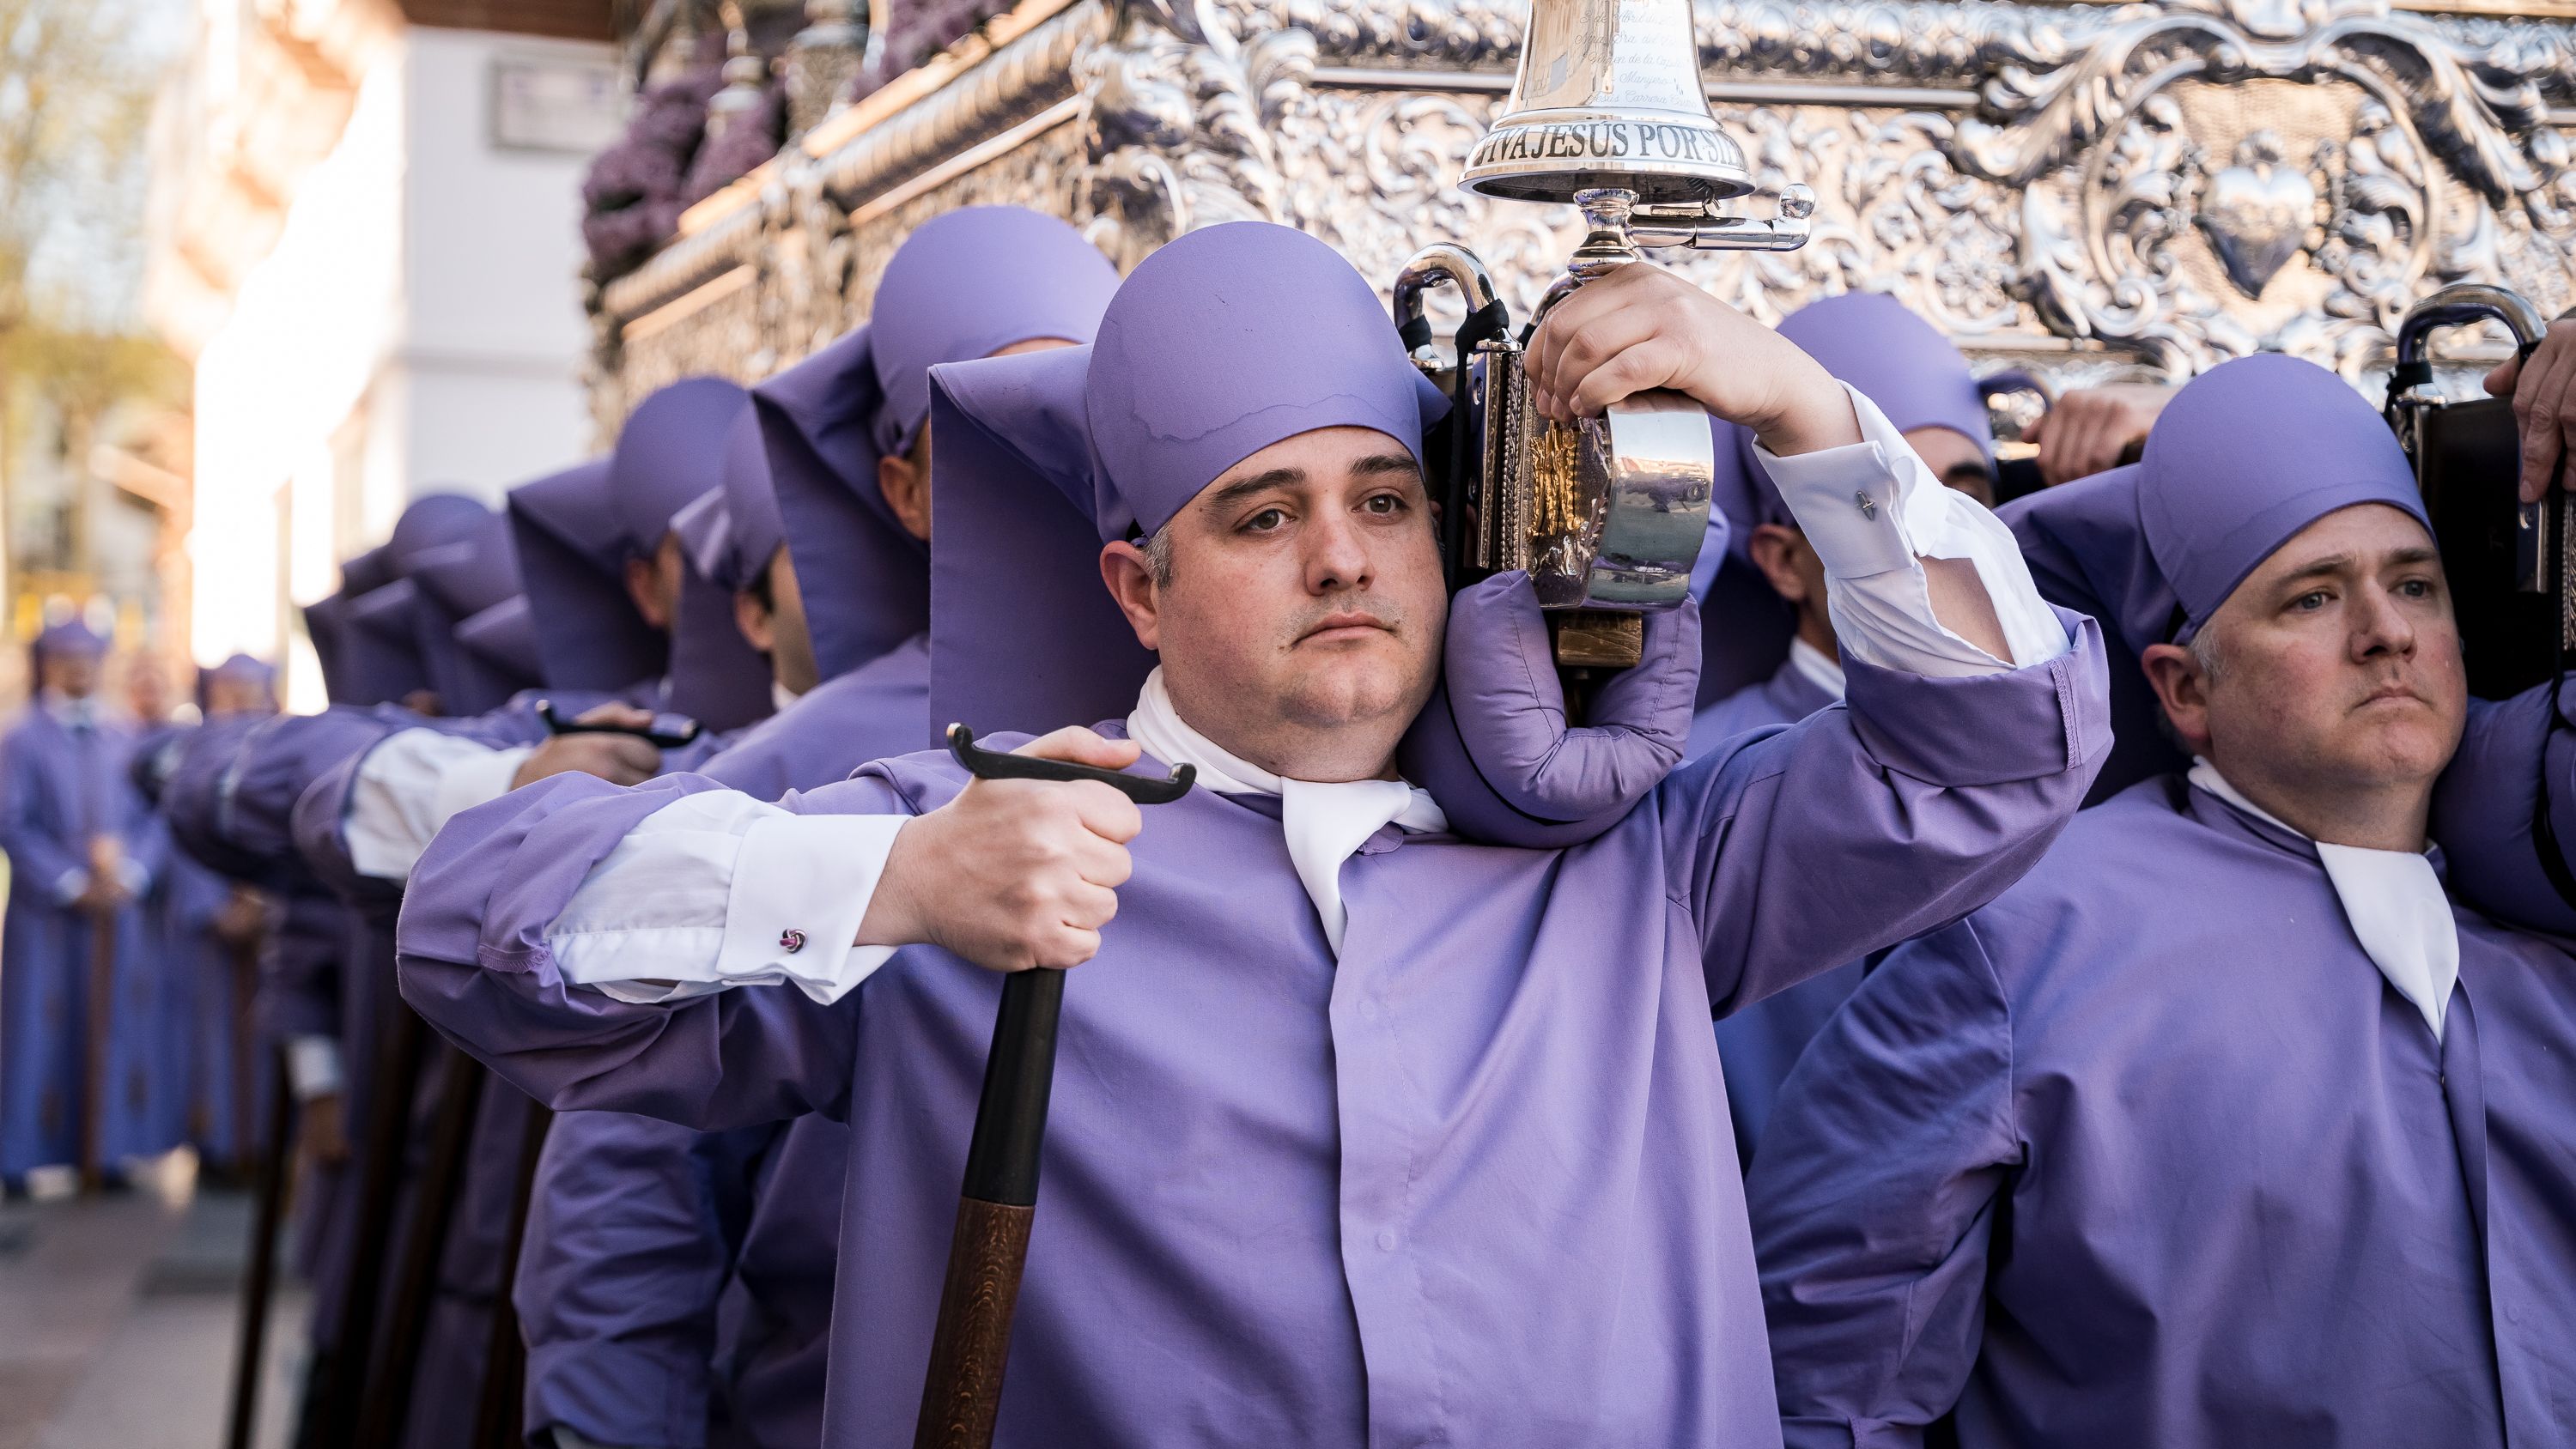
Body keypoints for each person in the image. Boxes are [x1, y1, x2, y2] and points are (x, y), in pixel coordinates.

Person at [398, 222, 2105, 1445]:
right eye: (1264, 517)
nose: (1345, 560)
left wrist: (1801, 413)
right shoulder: (988, 843)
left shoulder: (1633, 866)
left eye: (1382, 500)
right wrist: (897, 883)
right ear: (1136, 586)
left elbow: (1998, 745)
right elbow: (479, 931)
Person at [1747, 352, 2576, 1449]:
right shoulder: (2017, 943)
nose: (2388, 629)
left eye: (2415, 582)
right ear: (2185, 688)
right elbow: (1824, 1383)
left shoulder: (2547, 901)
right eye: (2314, 596)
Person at [516, 204, 1119, 1449]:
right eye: (987, 428)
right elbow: (632, 1177)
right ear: (903, 487)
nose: (1041, 455)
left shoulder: (1230, 698)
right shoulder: (798, 757)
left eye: (1078, 410)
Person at [0, 619, 173, 1194]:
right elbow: (11, 821)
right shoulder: (20, 739)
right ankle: (23, 1154)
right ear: (46, 663)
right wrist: (71, 881)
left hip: (117, 906)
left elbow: (154, 817)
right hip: (48, 912)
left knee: (115, 1022)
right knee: (38, 1026)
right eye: (66, 657)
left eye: (87, 658)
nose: (78, 669)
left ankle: (110, 1148)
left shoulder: (123, 736)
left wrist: (131, 874)